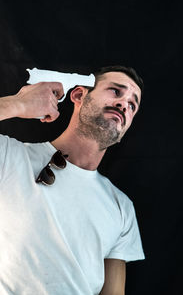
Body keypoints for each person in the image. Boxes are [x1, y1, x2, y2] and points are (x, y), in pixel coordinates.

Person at [0, 66, 145, 295]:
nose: (124, 105)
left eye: (132, 105)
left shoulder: (121, 207)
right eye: (116, 91)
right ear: (78, 95)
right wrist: (18, 104)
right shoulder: (10, 156)